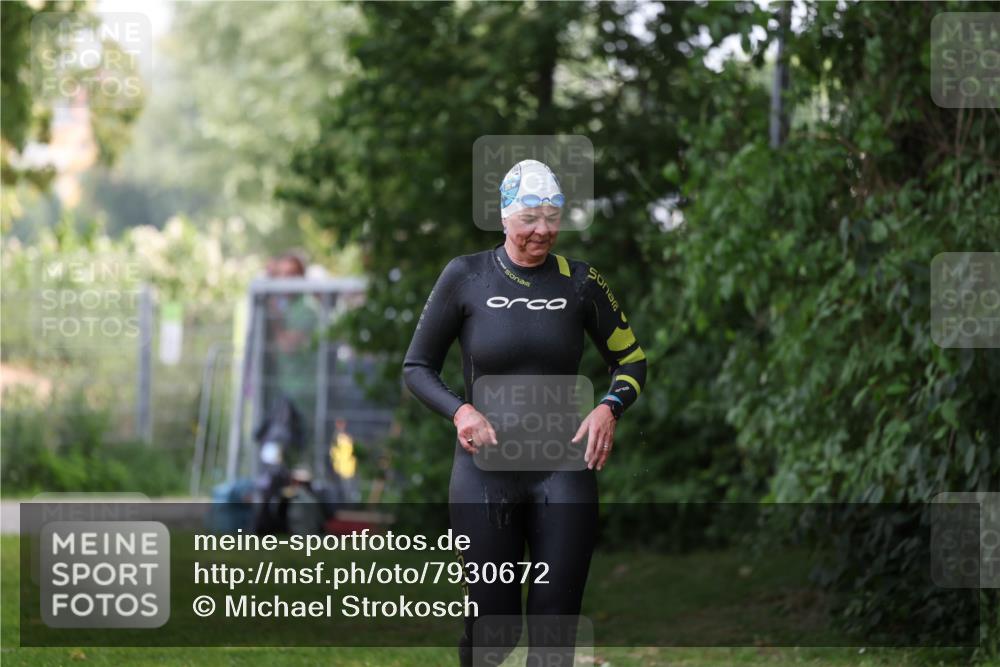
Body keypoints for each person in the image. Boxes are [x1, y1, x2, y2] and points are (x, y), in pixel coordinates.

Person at [403, 159, 648, 666]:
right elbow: (417, 367)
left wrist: (610, 406)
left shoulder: (581, 282)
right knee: (495, 627)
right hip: (484, 472)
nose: (543, 230)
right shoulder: (465, 276)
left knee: (555, 627)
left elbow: (631, 360)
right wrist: (461, 411)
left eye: (552, 217)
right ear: (504, 217)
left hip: (564, 470)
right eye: (530, 217)